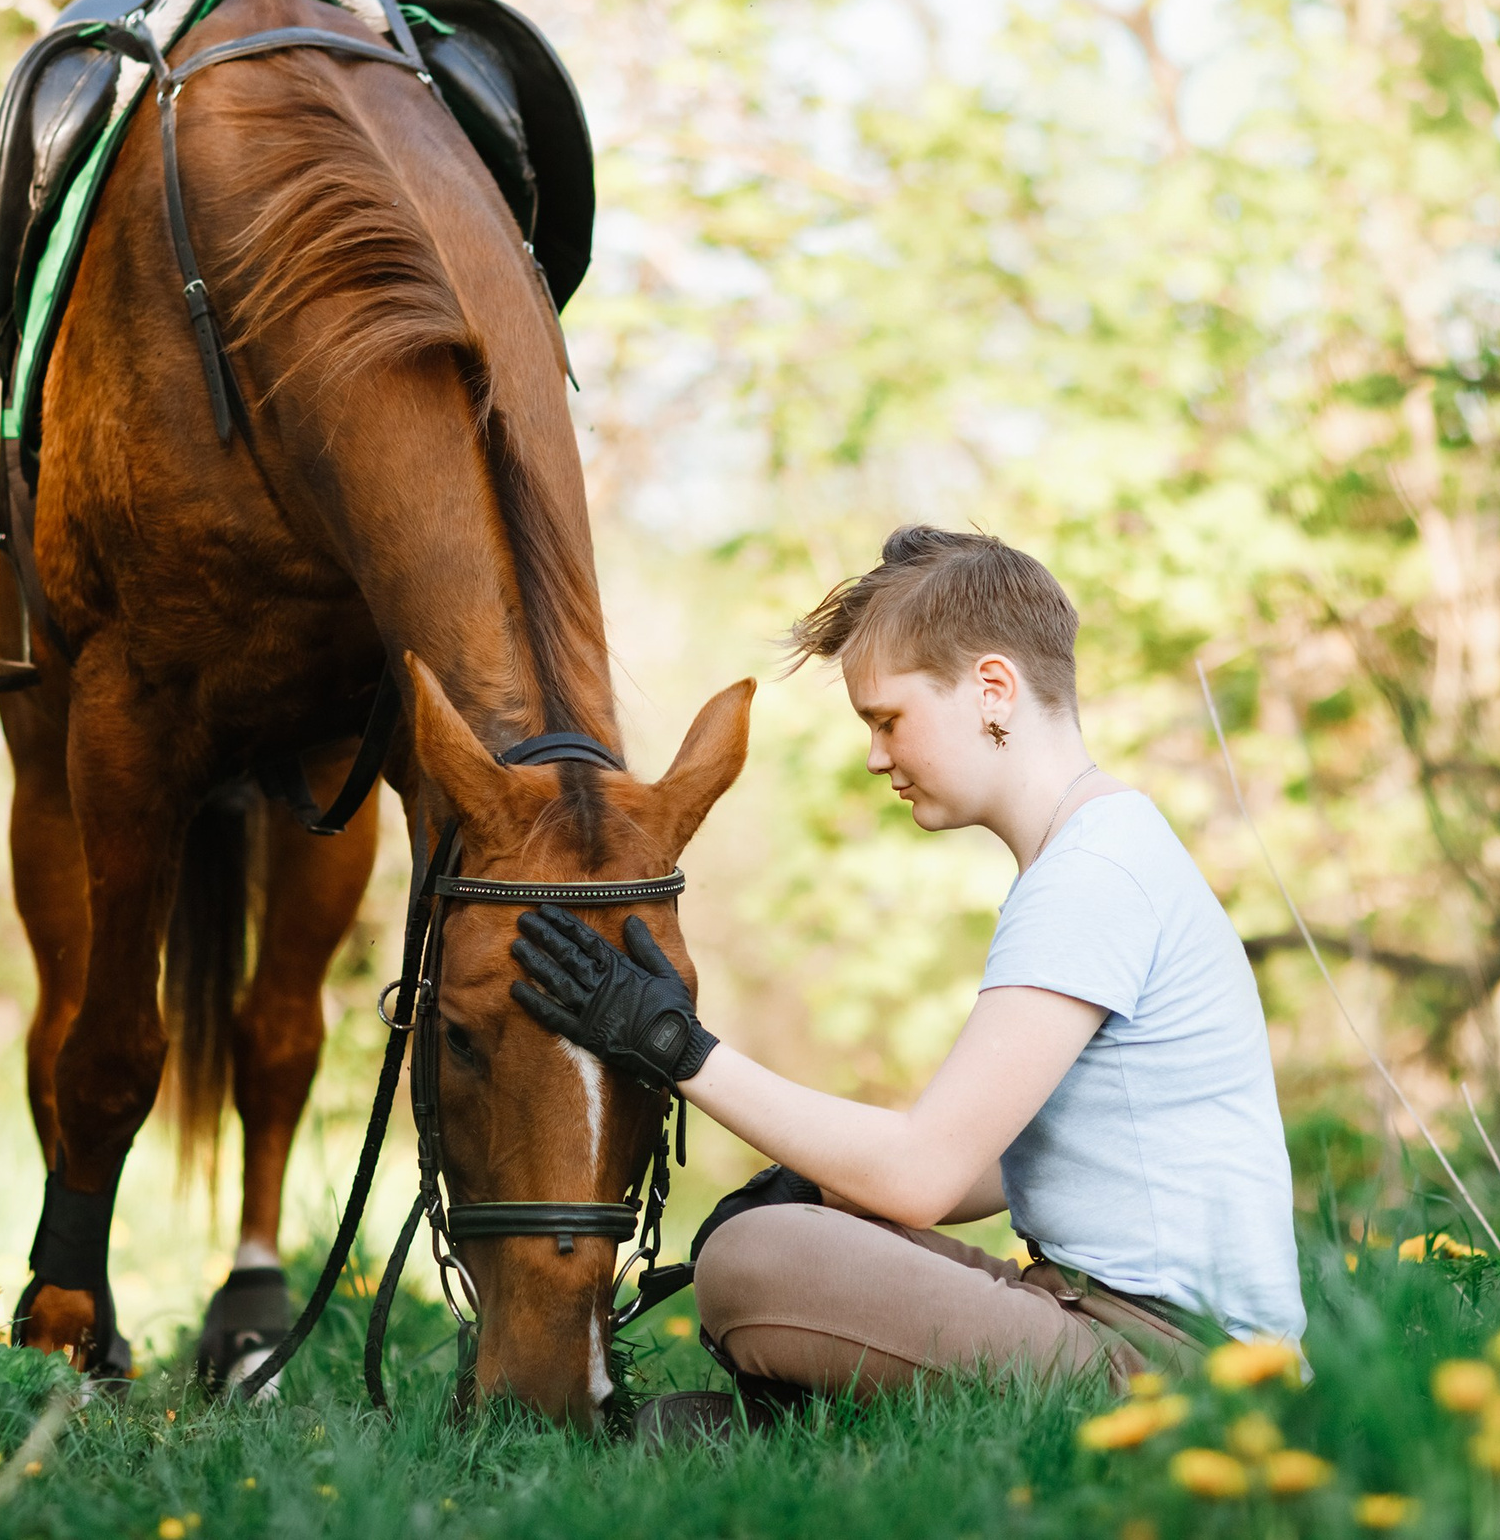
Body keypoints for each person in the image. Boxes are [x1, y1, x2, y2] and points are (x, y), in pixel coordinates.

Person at [509, 526, 1304, 1437]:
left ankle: (796, 1425)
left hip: (1179, 1366)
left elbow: (926, 1172)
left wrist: (673, 1046)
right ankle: (807, 1426)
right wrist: (819, 1187)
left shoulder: (1093, 877)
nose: (877, 756)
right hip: (1113, 1318)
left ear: (993, 690)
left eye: (886, 719)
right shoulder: (1100, 852)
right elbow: (1008, 1165)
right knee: (799, 1231)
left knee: (753, 1261)